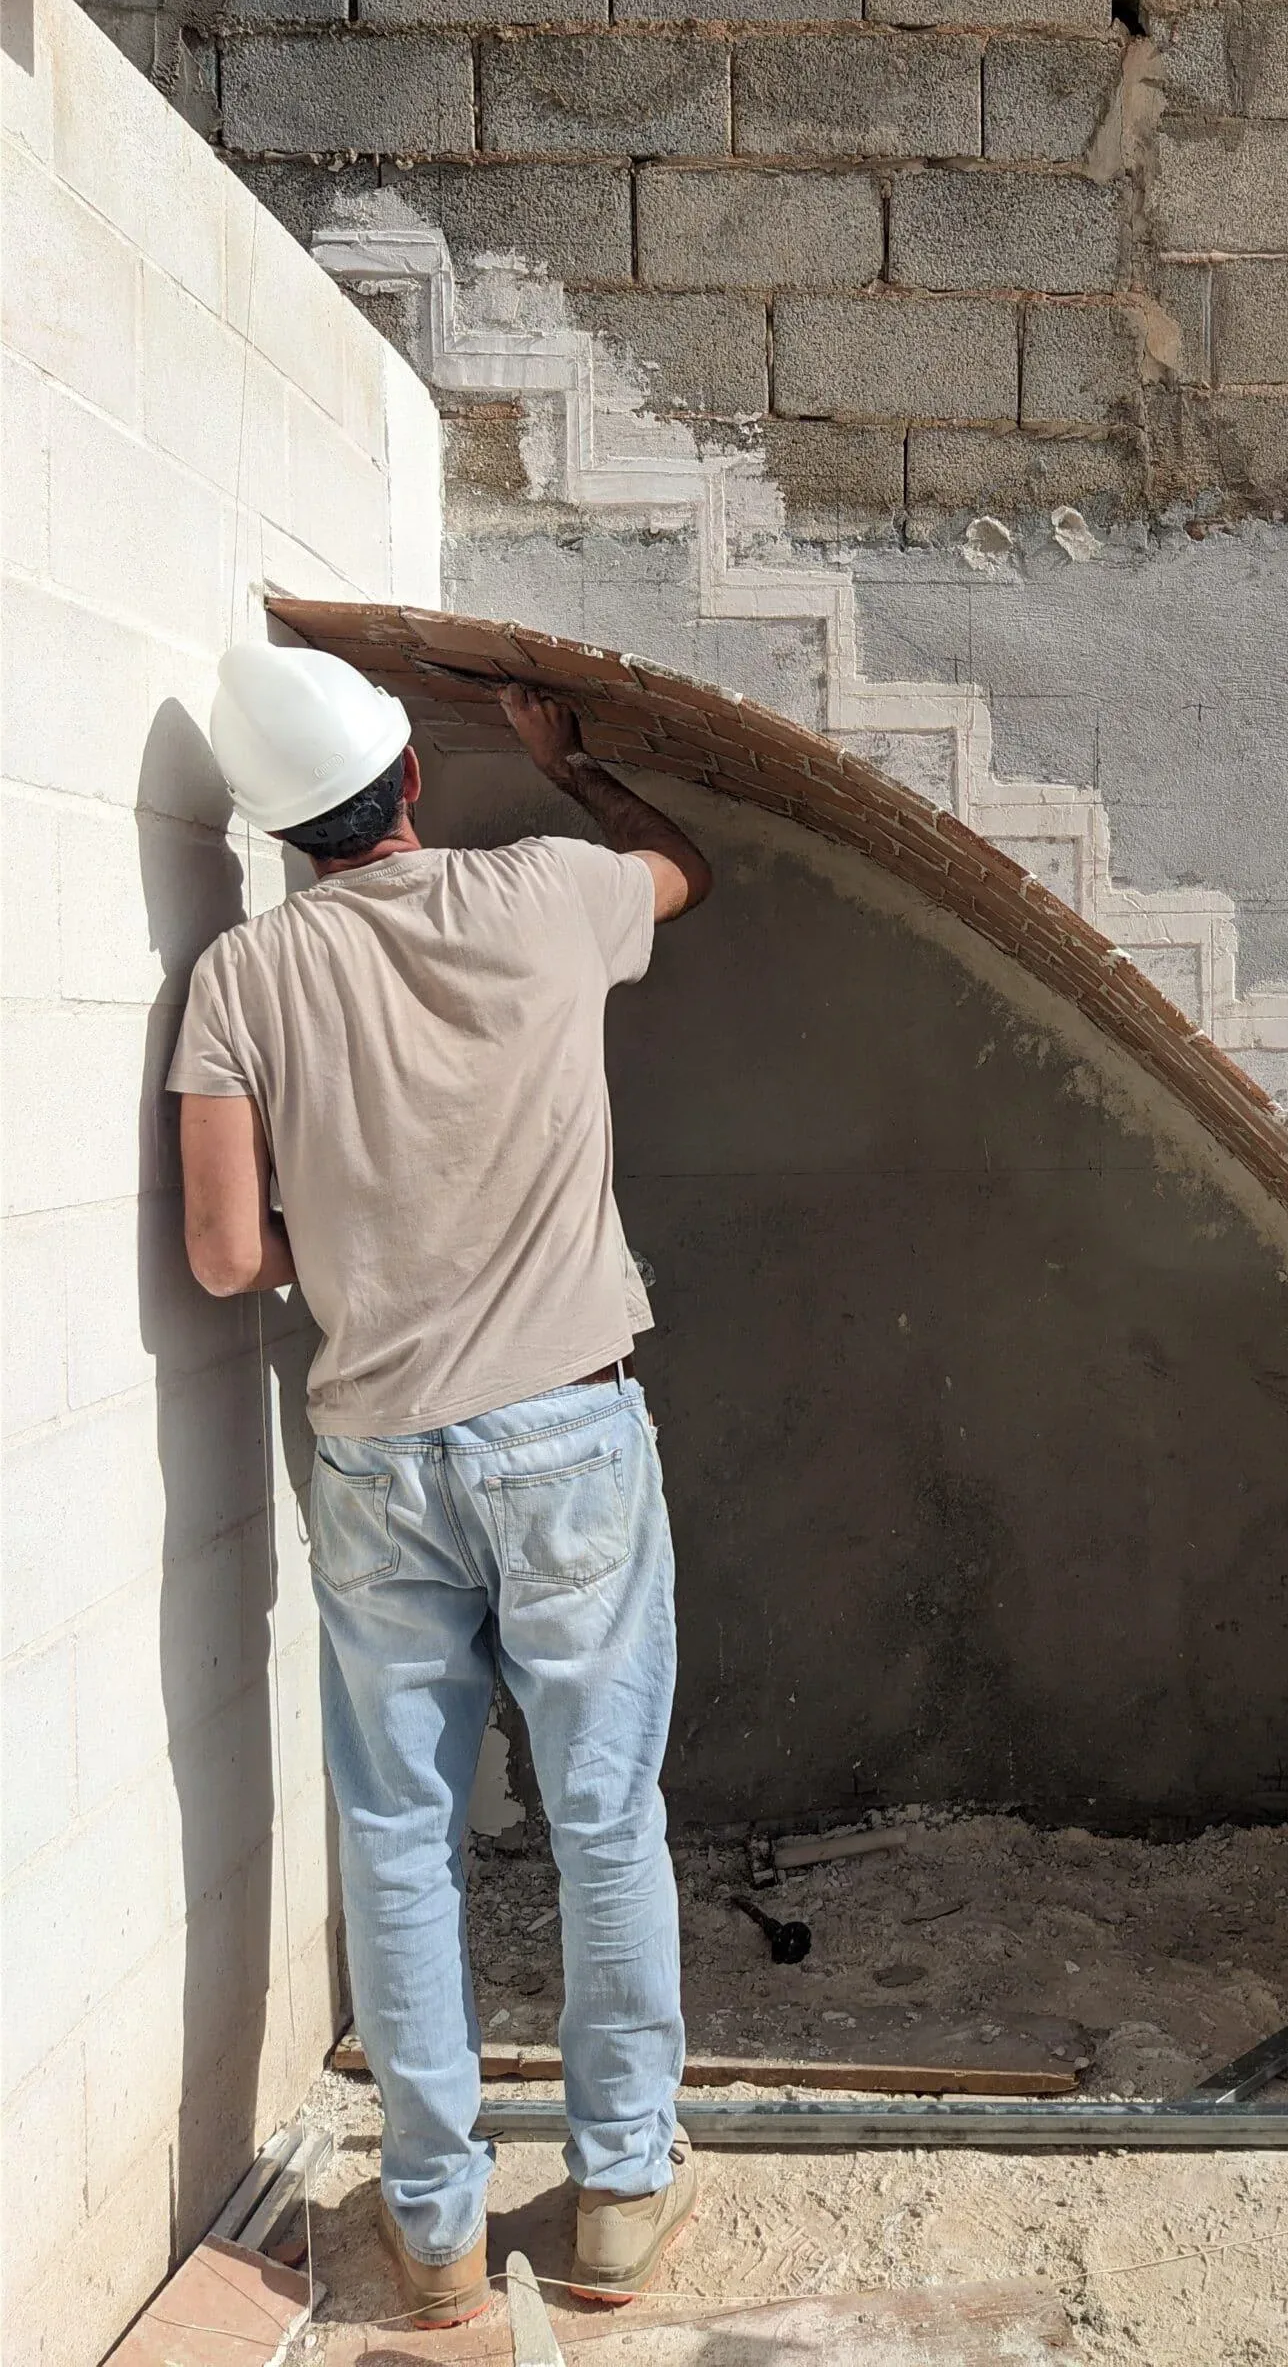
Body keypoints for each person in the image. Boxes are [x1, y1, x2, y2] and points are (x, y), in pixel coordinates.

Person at [170, 641, 712, 2325]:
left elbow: (218, 1256)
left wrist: (346, 1224)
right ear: (410, 778)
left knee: (402, 1838)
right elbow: (692, 869)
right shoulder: (547, 893)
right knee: (606, 1813)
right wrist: (569, 767)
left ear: (276, 837)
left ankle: (434, 2236)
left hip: (377, 1453)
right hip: (565, 1431)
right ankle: (621, 2194)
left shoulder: (240, 980)